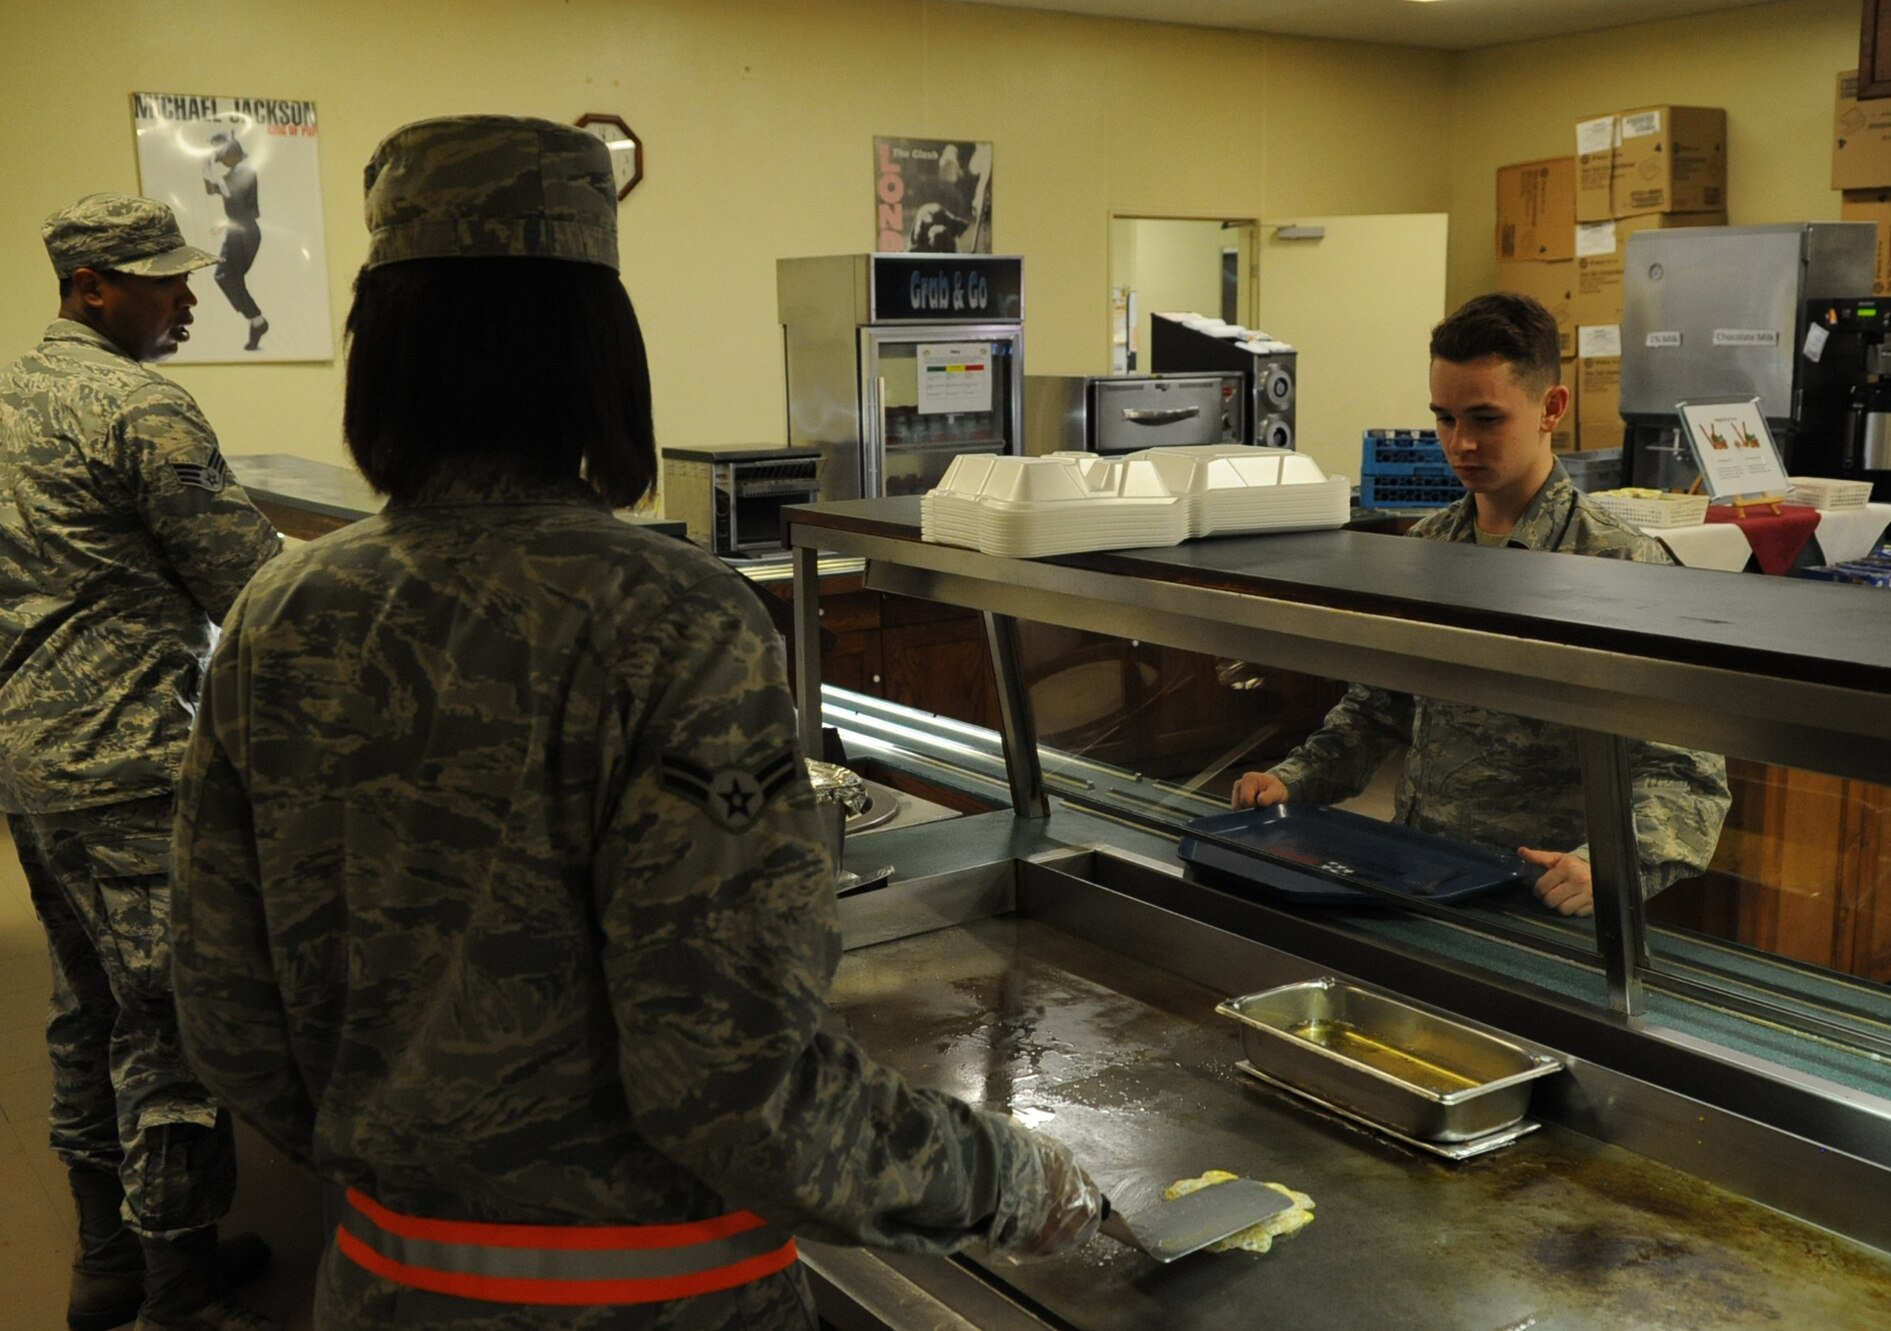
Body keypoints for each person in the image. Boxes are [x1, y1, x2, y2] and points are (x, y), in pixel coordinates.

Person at [168, 115, 1101, 1331]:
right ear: (598, 353)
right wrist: (1008, 1174)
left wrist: (418, 1160)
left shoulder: (279, 611)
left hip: (384, 1287)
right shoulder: (676, 619)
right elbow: (734, 1088)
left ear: (378, 353)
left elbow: (226, 1017)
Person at [0, 193, 284, 1331]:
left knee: (85, 1004)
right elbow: (251, 591)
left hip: (28, 750)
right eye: (165, 279)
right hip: (128, 761)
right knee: (171, 1017)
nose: (188, 296)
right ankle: (180, 1290)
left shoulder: (14, 390)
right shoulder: (139, 404)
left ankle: (105, 1261)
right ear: (91, 289)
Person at [1232, 293, 1729, 917]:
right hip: (1411, 874)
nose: (1460, 443)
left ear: (1552, 407)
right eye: (1445, 418)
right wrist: (1295, 779)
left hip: (1537, 899)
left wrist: (1610, 862)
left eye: (1486, 419)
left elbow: (1686, 775)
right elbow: (1379, 706)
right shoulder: (1427, 548)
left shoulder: (1622, 566)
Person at [201, 128, 268, 351]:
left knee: (228, 276)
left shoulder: (246, 172)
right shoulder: (230, 176)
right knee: (225, 276)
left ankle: (256, 321)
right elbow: (211, 189)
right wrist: (206, 163)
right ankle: (256, 321)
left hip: (245, 232)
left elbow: (238, 204)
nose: (222, 158)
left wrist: (227, 223)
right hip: (237, 232)